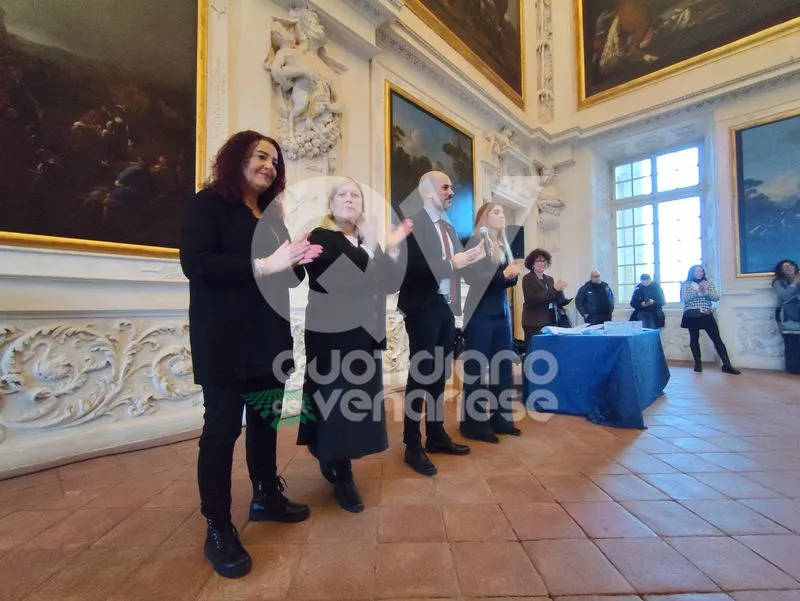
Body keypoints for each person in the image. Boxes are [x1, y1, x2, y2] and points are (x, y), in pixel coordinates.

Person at [180, 130, 322, 579]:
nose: (270, 166)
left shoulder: (270, 217)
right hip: (224, 341)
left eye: (276, 161)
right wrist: (264, 265)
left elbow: (287, 283)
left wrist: (298, 261)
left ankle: (265, 494)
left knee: (265, 422)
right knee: (221, 433)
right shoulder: (208, 205)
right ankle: (218, 525)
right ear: (236, 158)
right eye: (262, 156)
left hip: (268, 339)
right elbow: (196, 264)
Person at [298, 177, 413, 512]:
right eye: (342, 195)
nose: (349, 199)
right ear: (331, 205)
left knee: (356, 402)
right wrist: (375, 247)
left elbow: (390, 283)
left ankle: (333, 457)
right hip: (332, 336)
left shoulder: (366, 241)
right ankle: (342, 472)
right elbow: (343, 280)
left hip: (365, 333)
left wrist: (390, 248)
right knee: (335, 400)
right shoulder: (322, 238)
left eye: (355, 195)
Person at [397, 170, 485, 476]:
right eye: (445, 186)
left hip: (446, 308)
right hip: (422, 307)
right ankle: (412, 444)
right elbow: (409, 269)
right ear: (429, 192)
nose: (451, 191)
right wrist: (453, 264)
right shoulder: (411, 223)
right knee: (420, 376)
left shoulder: (448, 228)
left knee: (438, 377)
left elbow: (458, 268)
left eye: (451, 186)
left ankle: (435, 435)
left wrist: (476, 261)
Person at [459, 203, 521, 443]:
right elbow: (470, 276)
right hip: (479, 312)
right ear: (483, 217)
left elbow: (504, 281)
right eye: (495, 212)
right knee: (476, 370)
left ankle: (501, 419)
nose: (502, 215)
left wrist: (510, 277)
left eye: (503, 212)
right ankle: (473, 424)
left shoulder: (503, 244)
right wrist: (503, 275)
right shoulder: (475, 241)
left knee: (502, 368)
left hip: (500, 311)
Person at [680, 264, 740, 374]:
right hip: (692, 314)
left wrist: (705, 291)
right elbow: (685, 299)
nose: (700, 273)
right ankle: (697, 364)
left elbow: (716, 297)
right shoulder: (686, 284)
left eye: (701, 271)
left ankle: (727, 365)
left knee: (717, 339)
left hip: (706, 313)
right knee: (694, 339)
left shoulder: (708, 283)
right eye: (697, 271)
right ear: (692, 273)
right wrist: (698, 291)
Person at [521, 248, 568, 349]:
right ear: (532, 264)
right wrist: (554, 289)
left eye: (544, 260)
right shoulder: (528, 278)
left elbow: (557, 299)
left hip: (549, 321)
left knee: (548, 351)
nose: (541, 263)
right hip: (533, 323)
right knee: (533, 351)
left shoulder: (549, 279)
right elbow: (532, 299)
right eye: (538, 260)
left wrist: (561, 292)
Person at [771, 259, 800, 374]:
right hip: (787, 316)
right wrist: (794, 284)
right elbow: (783, 295)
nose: (789, 268)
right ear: (781, 271)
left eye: (791, 266)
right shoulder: (778, 282)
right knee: (791, 344)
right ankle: (793, 370)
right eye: (785, 267)